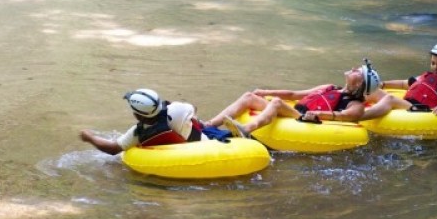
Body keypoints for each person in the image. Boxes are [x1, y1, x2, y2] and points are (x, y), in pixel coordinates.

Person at [206, 60, 382, 138]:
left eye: (358, 71)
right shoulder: (329, 87)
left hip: (307, 119)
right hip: (297, 111)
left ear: (360, 84)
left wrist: (318, 115)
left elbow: (343, 117)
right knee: (248, 97)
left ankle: (247, 129)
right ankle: (209, 124)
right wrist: (264, 91)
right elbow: (294, 95)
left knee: (276, 103)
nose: (353, 68)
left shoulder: (355, 105)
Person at [79, 88, 207, 155]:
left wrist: (90, 138)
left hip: (182, 156)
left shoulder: (137, 133)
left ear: (138, 117)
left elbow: (112, 149)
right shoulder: (178, 109)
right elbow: (193, 109)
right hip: (205, 145)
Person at [362, 43, 437, 120]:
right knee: (373, 91)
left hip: (424, 111)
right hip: (410, 104)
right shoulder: (428, 77)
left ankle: (360, 117)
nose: (435, 67)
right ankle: (347, 108)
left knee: (390, 99)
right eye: (433, 63)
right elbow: (404, 83)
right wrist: (383, 84)